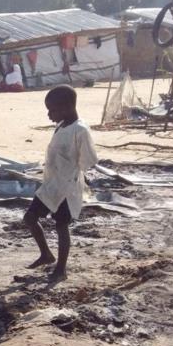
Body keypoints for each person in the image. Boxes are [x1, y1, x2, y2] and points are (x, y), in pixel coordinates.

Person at [24, 85, 98, 282]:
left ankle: (61, 268)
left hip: (67, 187)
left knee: (61, 225)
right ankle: (46, 254)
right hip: (51, 184)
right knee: (30, 218)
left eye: (52, 110)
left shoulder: (80, 130)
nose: (49, 115)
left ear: (66, 107)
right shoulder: (62, 126)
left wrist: (76, 176)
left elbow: (87, 160)